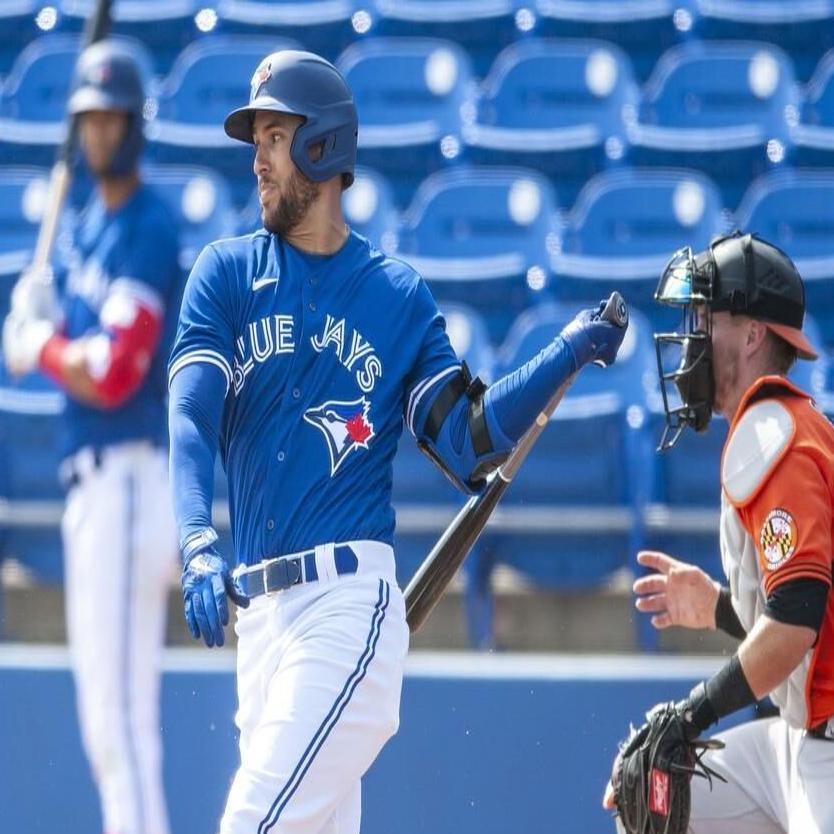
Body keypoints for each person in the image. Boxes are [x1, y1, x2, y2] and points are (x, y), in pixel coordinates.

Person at [167, 48, 627, 833]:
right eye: (256, 143)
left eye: (274, 138)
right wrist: (195, 537)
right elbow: (190, 414)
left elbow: (467, 440)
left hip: (347, 608)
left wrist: (562, 356)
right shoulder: (226, 273)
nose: (258, 163)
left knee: (252, 825)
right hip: (261, 626)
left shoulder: (394, 295)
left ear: (324, 145)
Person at [2, 41, 182, 834]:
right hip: (93, 485)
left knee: (119, 719)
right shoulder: (79, 231)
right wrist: (40, 311)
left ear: (133, 124)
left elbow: (112, 370)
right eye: (89, 118)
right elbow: (80, 349)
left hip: (130, 477)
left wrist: (37, 346)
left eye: (111, 117)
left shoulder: (148, 223)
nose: (99, 132)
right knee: (104, 720)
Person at [603, 232, 834, 833]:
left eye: (706, 316)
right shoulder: (775, 428)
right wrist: (718, 609)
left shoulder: (778, 438)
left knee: (665, 758)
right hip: (798, 736)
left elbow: (795, 624)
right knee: (648, 794)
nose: (693, 333)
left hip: (829, 749)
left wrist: (691, 713)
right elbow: (797, 621)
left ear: (754, 334)